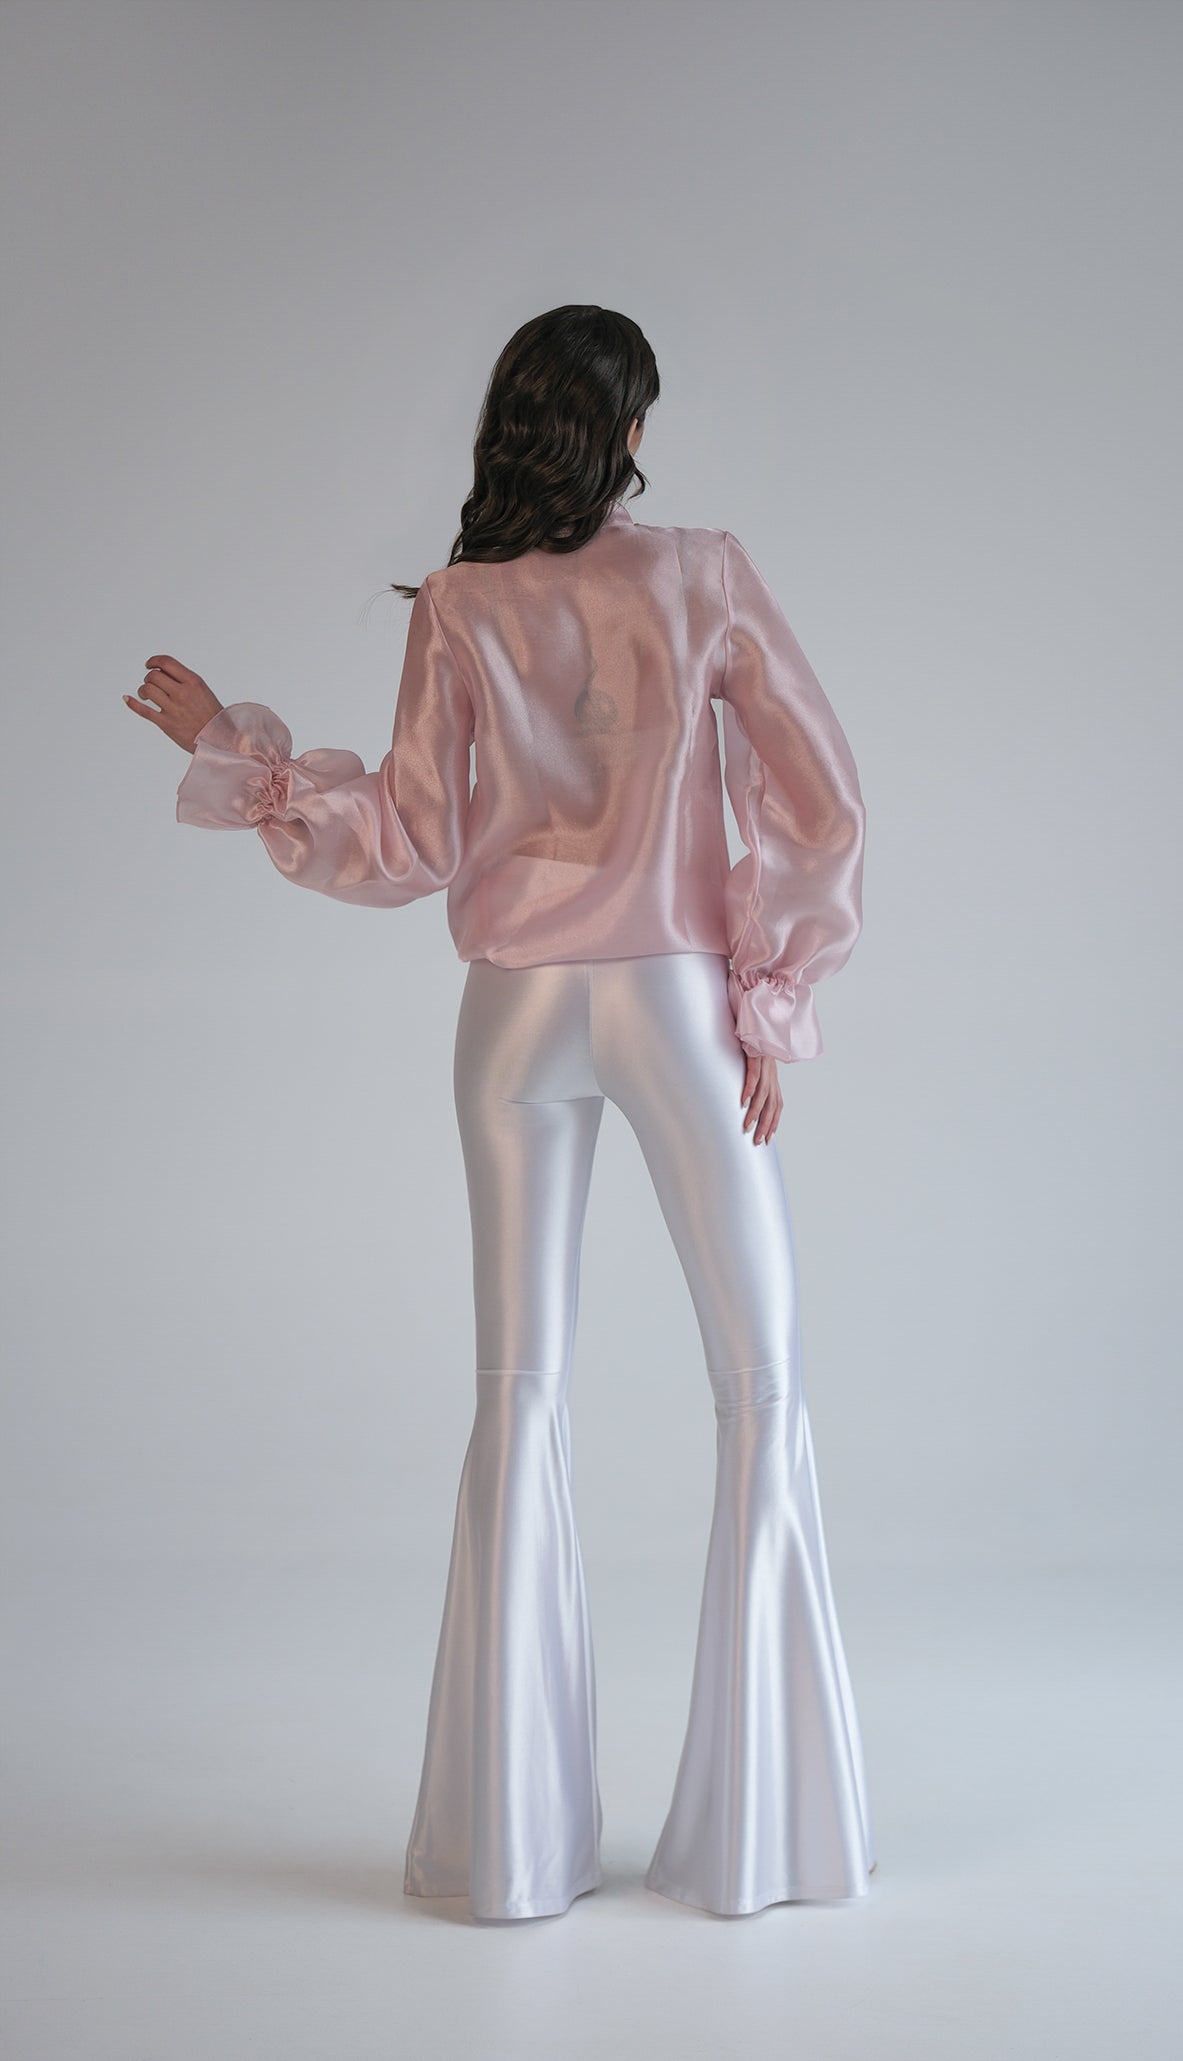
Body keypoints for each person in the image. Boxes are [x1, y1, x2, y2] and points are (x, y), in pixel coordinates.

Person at [124, 304, 875, 1922]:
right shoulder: (701, 574)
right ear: (623, 429)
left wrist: (236, 751)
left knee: (518, 1395)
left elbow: (405, 834)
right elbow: (822, 794)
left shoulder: (463, 602)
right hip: (671, 1000)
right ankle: (762, 1841)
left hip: (512, 1017)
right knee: (758, 1385)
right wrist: (770, 989)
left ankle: (505, 1853)